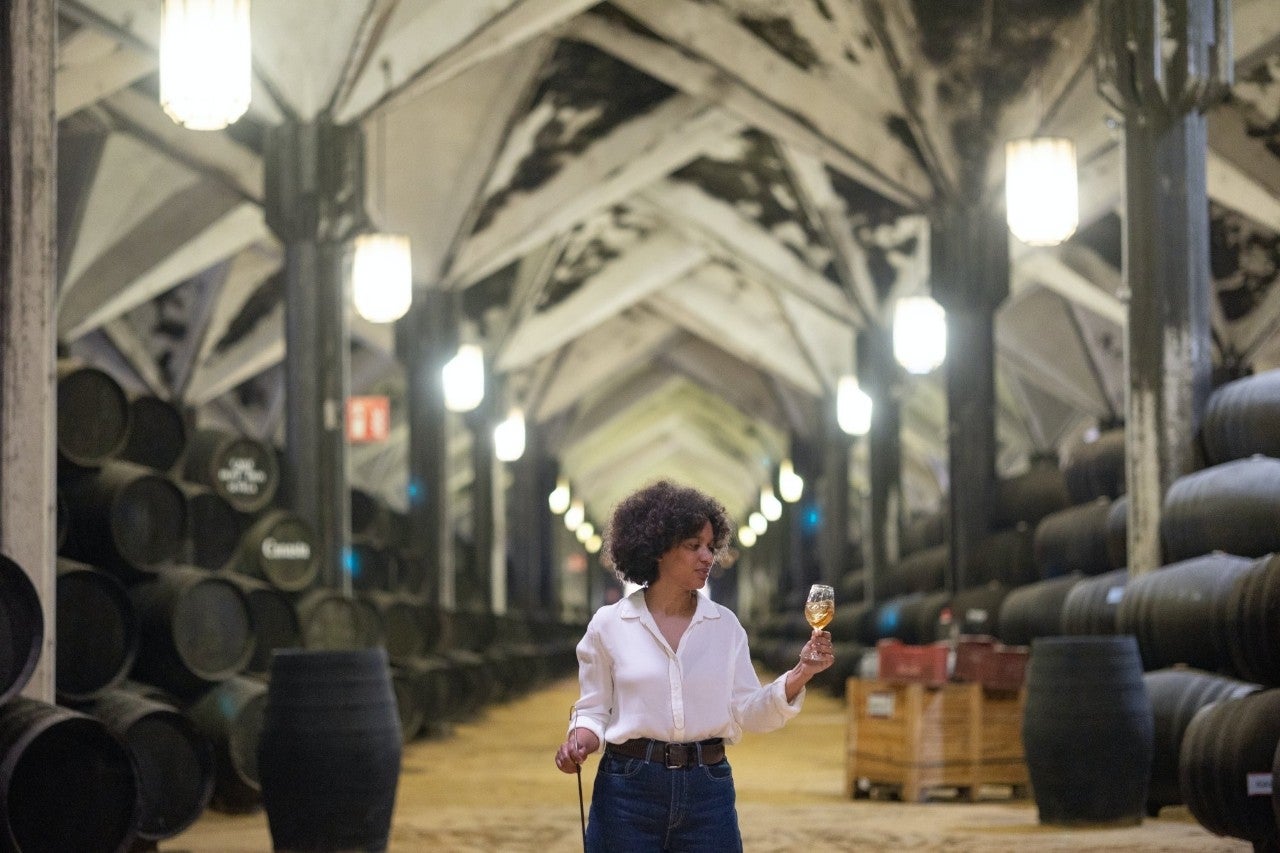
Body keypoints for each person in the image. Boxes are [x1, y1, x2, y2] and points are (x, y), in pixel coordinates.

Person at [553, 480, 834, 851]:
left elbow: (749, 711)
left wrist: (801, 674)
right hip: (628, 790)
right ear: (657, 550)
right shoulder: (609, 625)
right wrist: (579, 741)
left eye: (710, 546)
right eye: (693, 546)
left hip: (708, 790)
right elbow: (593, 711)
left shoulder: (725, 626)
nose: (707, 557)